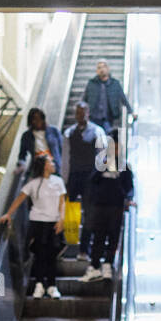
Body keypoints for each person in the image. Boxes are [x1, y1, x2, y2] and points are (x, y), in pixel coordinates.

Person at [0, 155, 66, 299]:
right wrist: (8, 214)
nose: (53, 164)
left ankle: (52, 286)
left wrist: (61, 219)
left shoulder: (58, 181)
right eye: (50, 162)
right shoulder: (33, 183)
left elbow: (62, 202)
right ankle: (39, 285)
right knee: (40, 255)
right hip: (37, 222)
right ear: (44, 166)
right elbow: (19, 199)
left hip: (53, 223)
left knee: (52, 256)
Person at [82, 129, 135, 282]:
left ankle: (108, 264)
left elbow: (130, 187)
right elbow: (92, 181)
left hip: (116, 207)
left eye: (118, 148)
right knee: (99, 236)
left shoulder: (125, 166)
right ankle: (94, 264)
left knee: (113, 237)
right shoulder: (101, 163)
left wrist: (128, 198)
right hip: (100, 206)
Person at [62, 101, 106, 261]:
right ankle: (67, 246)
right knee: (69, 213)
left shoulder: (97, 131)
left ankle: (84, 250)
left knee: (89, 213)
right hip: (74, 176)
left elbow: (103, 156)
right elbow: (65, 158)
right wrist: (64, 180)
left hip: (90, 177)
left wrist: (100, 179)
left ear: (88, 113)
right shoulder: (69, 133)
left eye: (83, 112)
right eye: (77, 113)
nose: (80, 115)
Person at [83, 60, 132, 134]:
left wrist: (131, 112)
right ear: (97, 71)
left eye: (104, 67)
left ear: (108, 69)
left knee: (106, 140)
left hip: (108, 118)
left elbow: (123, 98)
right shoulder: (91, 83)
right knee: (93, 140)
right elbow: (84, 99)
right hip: (93, 117)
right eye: (99, 68)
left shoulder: (115, 83)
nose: (102, 69)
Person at [15, 107, 62, 175]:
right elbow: (22, 154)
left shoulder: (54, 131)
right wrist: (21, 165)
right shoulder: (26, 136)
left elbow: (61, 149)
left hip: (53, 166)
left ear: (43, 119)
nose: (36, 121)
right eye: (33, 119)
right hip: (37, 168)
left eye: (38, 118)